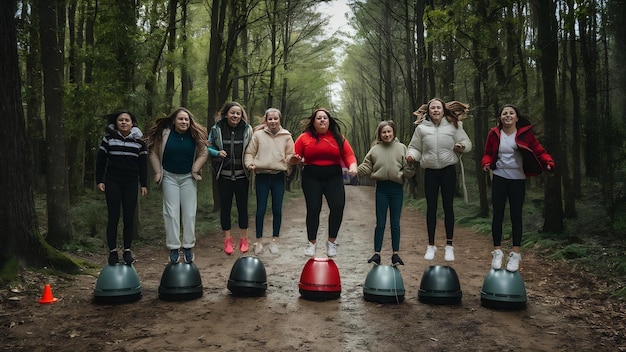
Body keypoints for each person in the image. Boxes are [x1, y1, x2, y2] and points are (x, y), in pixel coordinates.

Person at [481, 104, 554, 272]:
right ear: (500, 118)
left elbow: (539, 151)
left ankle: (515, 254)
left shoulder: (525, 134)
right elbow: (487, 153)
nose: (507, 116)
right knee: (497, 215)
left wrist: (548, 162)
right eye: (504, 113)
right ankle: (497, 252)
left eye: (511, 113)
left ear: (516, 117)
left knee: (516, 216)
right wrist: (485, 163)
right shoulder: (494, 134)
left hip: (518, 179)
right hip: (499, 177)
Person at [407, 98, 472, 262]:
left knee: (448, 207)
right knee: (431, 208)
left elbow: (467, 142)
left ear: (443, 110)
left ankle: (449, 246)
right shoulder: (421, 129)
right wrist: (411, 156)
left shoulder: (454, 125)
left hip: (448, 171)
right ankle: (431, 245)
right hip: (430, 172)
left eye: (438, 108)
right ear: (428, 111)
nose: (435, 110)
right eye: (432, 108)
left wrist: (462, 147)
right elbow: (414, 147)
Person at [290, 107, 357, 257]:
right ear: (313, 122)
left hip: (333, 175)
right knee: (313, 208)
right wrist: (294, 160)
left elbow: (349, 155)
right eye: (318, 118)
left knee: (338, 206)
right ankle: (311, 243)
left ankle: (331, 242)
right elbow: (294, 156)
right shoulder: (304, 138)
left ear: (329, 121)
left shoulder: (338, 137)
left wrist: (352, 167)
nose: (322, 120)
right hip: (311, 176)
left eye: (325, 118)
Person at [145, 107, 208, 264]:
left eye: (186, 119)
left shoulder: (194, 135)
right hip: (169, 177)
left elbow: (204, 152)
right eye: (180, 119)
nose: (184, 122)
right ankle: (174, 247)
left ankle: (188, 247)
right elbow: (152, 152)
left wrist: (196, 168)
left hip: (188, 177)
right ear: (174, 120)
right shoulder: (165, 134)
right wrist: (158, 172)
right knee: (171, 212)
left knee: (189, 213)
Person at [95, 110, 148, 266]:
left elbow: (143, 165)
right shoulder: (109, 139)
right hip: (112, 181)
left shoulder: (139, 142)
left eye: (127, 120)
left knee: (129, 217)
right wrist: (99, 180)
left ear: (132, 123)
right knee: (113, 216)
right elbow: (101, 161)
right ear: (116, 123)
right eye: (121, 120)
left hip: (131, 182)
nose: (124, 122)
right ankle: (112, 251)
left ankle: (127, 250)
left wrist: (144, 184)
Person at [358, 120, 414, 266]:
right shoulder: (375, 150)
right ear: (380, 134)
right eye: (384, 132)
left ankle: (396, 255)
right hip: (381, 189)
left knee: (395, 223)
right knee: (380, 223)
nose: (387, 134)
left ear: (393, 132)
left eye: (389, 131)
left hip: (396, 189)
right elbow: (366, 166)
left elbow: (408, 169)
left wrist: (410, 167)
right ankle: (377, 254)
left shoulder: (401, 148)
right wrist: (355, 171)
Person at [244, 108, 294, 255]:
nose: (273, 121)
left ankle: (274, 240)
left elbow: (290, 154)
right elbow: (250, 152)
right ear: (266, 120)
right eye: (270, 119)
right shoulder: (258, 135)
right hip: (262, 176)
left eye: (275, 119)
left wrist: (292, 161)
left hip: (279, 176)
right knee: (261, 209)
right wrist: (249, 164)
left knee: (277, 209)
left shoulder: (286, 136)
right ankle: (258, 241)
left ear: (280, 120)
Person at [208, 101, 253, 255]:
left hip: (242, 175)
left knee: (242, 207)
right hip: (224, 175)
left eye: (238, 113)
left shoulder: (247, 130)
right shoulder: (216, 129)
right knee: (225, 208)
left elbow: (253, 148)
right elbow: (208, 146)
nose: (235, 115)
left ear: (241, 116)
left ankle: (244, 239)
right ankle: (227, 240)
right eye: (232, 112)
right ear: (226, 113)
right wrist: (216, 153)